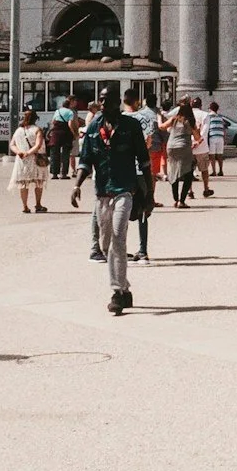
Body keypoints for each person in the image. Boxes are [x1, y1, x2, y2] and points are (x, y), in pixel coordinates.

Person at [78, 92, 151, 314]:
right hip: (102, 193)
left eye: (106, 100)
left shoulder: (130, 126)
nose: (102, 103)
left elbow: (145, 161)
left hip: (124, 191)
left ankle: (117, 292)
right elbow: (85, 160)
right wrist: (76, 186)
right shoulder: (93, 128)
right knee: (106, 244)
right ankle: (126, 288)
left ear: (116, 103)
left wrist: (149, 196)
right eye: (100, 100)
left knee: (119, 238)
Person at [8, 109, 48, 213]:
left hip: (22, 161)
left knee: (23, 184)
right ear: (36, 118)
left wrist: (19, 152)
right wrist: (28, 153)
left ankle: (25, 206)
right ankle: (38, 205)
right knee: (38, 182)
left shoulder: (18, 130)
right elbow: (38, 145)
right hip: (36, 159)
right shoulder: (37, 130)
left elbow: (12, 144)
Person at [160, 100, 198, 206]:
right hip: (184, 147)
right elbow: (197, 137)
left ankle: (175, 199)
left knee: (173, 171)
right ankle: (182, 201)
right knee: (188, 173)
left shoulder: (174, 119)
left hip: (171, 147)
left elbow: (162, 127)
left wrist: (159, 119)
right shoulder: (190, 121)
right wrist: (196, 140)